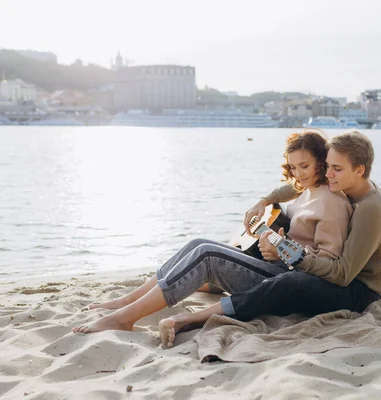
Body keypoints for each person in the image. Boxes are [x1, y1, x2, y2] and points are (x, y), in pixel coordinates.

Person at [72, 130, 353, 345]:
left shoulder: (331, 202)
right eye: (293, 167)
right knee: (197, 243)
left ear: (321, 162)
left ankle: (124, 318)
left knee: (207, 254)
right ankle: (127, 302)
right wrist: (263, 206)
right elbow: (287, 191)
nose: (298, 174)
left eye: (304, 166)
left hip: (283, 284)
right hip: (277, 269)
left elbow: (328, 263)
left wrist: (282, 252)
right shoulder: (305, 190)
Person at [157, 130, 381, 347]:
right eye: (327, 166)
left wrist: (290, 254)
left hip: (361, 292)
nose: (328, 174)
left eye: (336, 169)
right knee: (277, 224)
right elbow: (296, 186)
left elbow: (343, 274)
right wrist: (265, 201)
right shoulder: (347, 183)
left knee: (289, 283)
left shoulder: (371, 208)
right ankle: (208, 277)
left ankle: (190, 319)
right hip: (340, 276)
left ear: (359, 170)